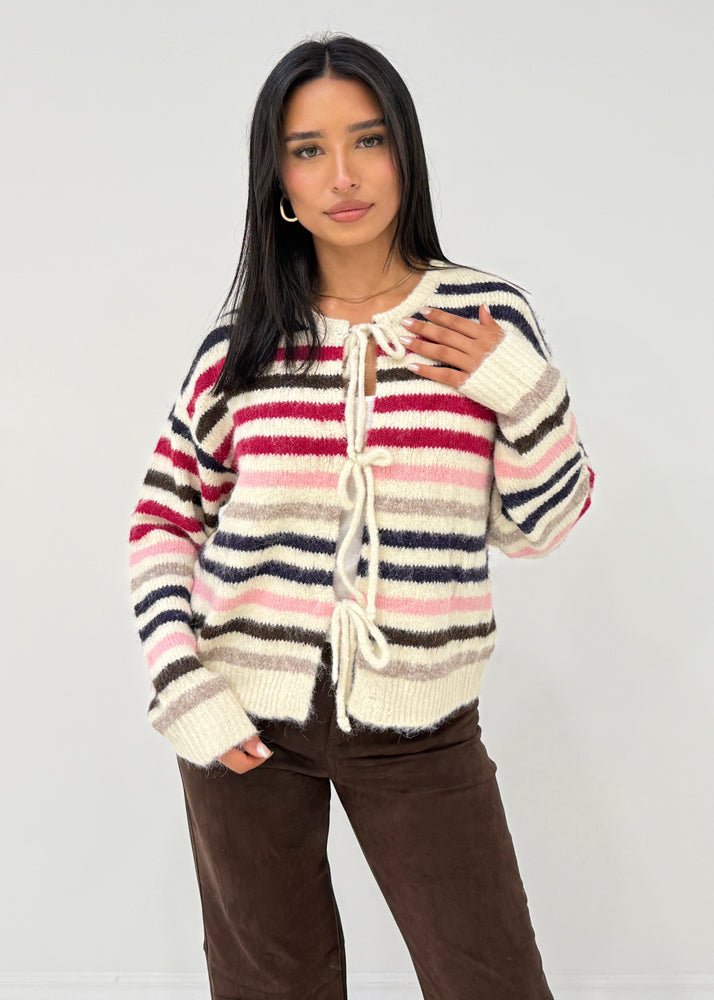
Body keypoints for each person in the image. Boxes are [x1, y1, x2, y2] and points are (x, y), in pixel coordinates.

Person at [128, 31, 595, 1000]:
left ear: (404, 153)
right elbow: (164, 519)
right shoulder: (243, 342)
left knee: (491, 978)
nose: (342, 174)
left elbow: (540, 528)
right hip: (242, 717)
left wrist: (522, 390)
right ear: (279, 182)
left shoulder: (482, 320)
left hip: (423, 720)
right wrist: (182, 681)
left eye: (368, 139)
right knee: (272, 985)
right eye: (308, 149)